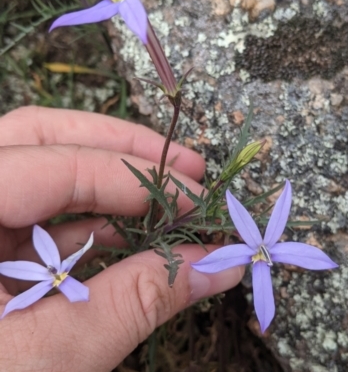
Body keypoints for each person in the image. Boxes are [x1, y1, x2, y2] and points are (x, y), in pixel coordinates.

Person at [0, 106, 243, 371]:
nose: (58, 277)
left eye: (58, 276)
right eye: (58, 277)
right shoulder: (55, 281)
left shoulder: (52, 264)